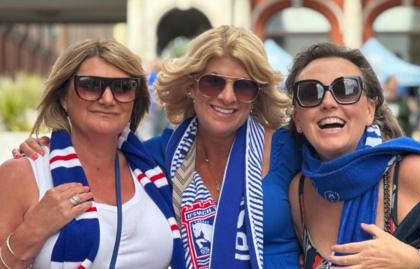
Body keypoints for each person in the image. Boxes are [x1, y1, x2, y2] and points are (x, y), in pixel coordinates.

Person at [14, 26, 302, 269]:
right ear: (191, 86)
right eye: (213, 83)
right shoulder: (156, 156)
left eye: (243, 86)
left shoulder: (287, 149)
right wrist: (48, 151)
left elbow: (338, 184)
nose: (227, 97)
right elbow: (95, 147)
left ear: (256, 95)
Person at [286, 43, 420, 268]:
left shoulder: (411, 171)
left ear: (370, 110)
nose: (328, 102)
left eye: (346, 89)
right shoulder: (300, 191)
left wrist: (415, 261)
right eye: (310, 93)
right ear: (298, 118)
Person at [0, 39, 185, 269]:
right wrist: (33, 229)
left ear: (135, 99)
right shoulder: (23, 174)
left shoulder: (155, 170)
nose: (108, 99)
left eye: (122, 87)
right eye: (90, 85)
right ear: (63, 98)